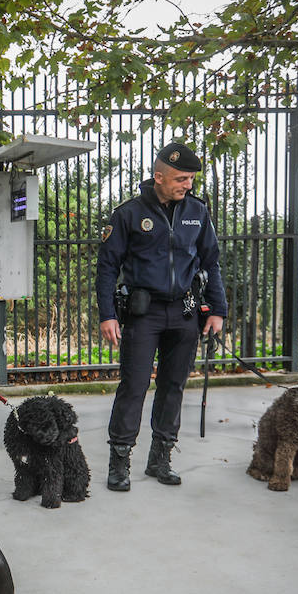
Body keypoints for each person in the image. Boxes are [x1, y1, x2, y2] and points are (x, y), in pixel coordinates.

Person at [95, 142, 226, 491]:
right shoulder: (129, 214)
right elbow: (107, 267)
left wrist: (218, 310)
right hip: (144, 313)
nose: (188, 185)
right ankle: (120, 461)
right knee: (134, 387)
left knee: (173, 387)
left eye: (191, 179)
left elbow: (211, 262)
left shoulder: (197, 211)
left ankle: (160, 458)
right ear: (159, 177)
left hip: (184, 313)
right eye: (181, 179)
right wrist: (107, 314)